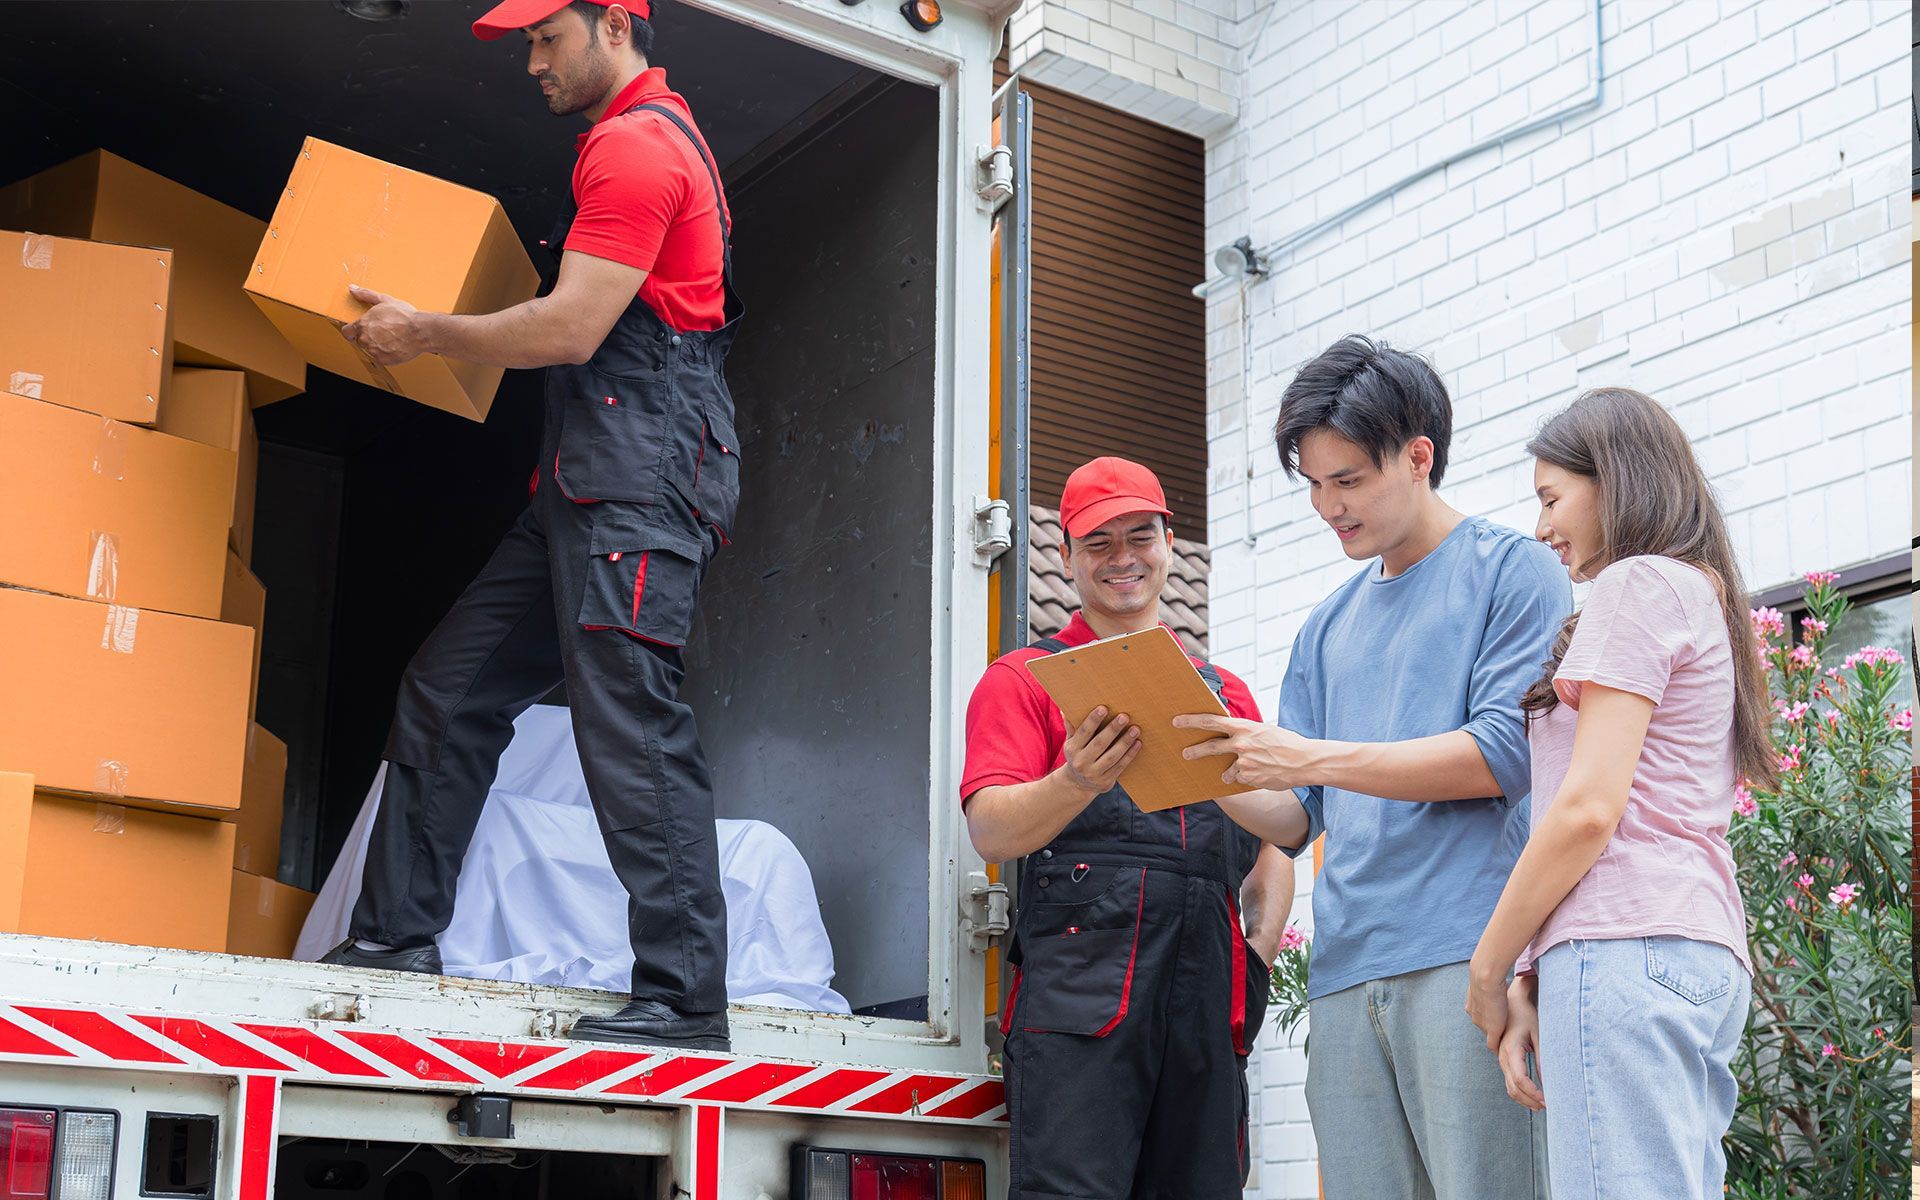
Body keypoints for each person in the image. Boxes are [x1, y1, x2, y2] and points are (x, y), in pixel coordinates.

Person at [320, 0, 743, 1050]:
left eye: (546, 38)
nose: (531, 63)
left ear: (614, 28)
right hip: (586, 482)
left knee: (630, 727)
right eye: (524, 45)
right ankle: (394, 938)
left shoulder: (639, 149)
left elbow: (573, 326)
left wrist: (426, 330)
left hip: (637, 487)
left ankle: (686, 1000)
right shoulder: (626, 142)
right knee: (450, 686)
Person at [1176, 335, 1565, 1198]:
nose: (1327, 507)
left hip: (1470, 956)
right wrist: (1211, 769)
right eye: (1313, 484)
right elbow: (1300, 815)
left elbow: (1503, 755)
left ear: (1418, 457)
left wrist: (1308, 755)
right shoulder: (1325, 625)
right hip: (1348, 974)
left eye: (1346, 480)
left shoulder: (1516, 572)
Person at [1464, 388, 1771, 1199]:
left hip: (1625, 950)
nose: (1541, 529)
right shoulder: (1700, 593)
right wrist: (1533, 973)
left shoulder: (1637, 584)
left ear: (1616, 480)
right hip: (1694, 948)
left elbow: (1588, 809)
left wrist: (1489, 969)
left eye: (1552, 499)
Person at [961, 457, 1294, 1200]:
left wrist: (1257, 955)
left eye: (1139, 536)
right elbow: (990, 830)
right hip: (1080, 1008)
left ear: (1169, 542)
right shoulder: (1025, 678)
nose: (1122, 559)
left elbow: (1273, 845)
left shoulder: (1226, 691)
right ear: (1066, 556)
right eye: (1098, 543)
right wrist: (1075, 780)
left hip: (1207, 1000)